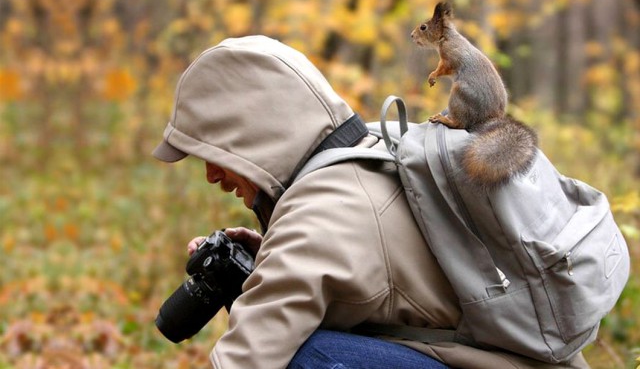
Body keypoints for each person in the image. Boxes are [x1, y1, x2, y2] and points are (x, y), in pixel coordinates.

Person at [152, 35, 589, 369]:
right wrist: (268, 259)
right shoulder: (376, 149)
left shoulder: (318, 214)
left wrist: (281, 262)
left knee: (307, 359)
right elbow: (375, 280)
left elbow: (244, 360)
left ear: (249, 136)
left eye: (213, 155)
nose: (210, 174)